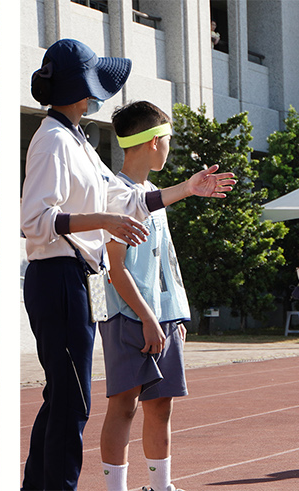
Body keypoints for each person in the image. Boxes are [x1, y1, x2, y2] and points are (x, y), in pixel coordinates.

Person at [21, 39, 235, 491]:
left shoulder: (76, 139)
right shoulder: (53, 140)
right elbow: (35, 222)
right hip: (57, 275)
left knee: (63, 399)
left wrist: (187, 189)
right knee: (71, 403)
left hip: (74, 278)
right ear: (83, 91)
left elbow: (127, 199)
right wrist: (104, 222)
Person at [96, 101, 190, 491]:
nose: (169, 148)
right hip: (128, 315)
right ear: (153, 142)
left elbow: (166, 259)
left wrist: (177, 314)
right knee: (123, 406)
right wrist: (149, 318)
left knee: (161, 405)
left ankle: (159, 485)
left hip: (163, 315)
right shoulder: (116, 194)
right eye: (168, 139)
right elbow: (115, 269)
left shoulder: (154, 194)